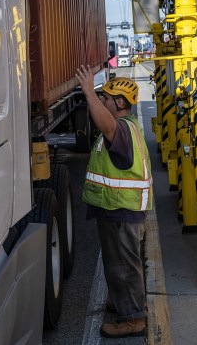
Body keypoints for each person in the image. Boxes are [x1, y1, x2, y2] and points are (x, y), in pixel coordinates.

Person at [74, 66, 152, 339]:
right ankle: (125, 302)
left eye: (106, 98)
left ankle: (132, 318)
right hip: (121, 210)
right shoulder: (127, 129)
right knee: (123, 263)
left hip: (121, 212)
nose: (102, 101)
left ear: (120, 103)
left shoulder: (119, 129)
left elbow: (104, 123)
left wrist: (87, 92)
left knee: (121, 266)